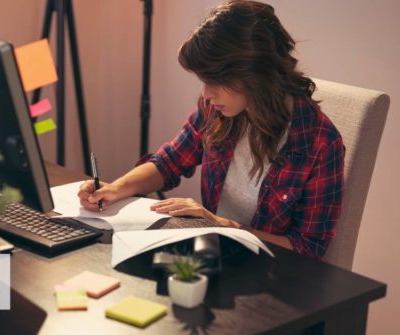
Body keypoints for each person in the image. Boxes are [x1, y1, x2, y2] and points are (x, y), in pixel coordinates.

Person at [78, 0, 345, 259]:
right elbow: (170, 162)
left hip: (270, 276)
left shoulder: (320, 143)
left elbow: (308, 249)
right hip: (213, 255)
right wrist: (114, 189)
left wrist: (221, 225)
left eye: (215, 81)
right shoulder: (219, 109)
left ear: (254, 74)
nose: (206, 94)